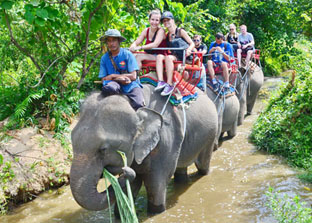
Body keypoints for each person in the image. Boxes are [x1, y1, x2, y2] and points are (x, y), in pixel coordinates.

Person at [99, 29, 144, 110]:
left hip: (130, 84)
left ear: (119, 41)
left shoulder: (128, 55)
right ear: (106, 43)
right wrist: (117, 78)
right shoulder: (104, 58)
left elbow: (133, 76)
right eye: (109, 41)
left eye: (114, 40)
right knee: (108, 89)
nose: (111, 43)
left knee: (139, 104)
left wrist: (113, 76)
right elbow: (103, 79)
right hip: (113, 83)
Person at [154, 11, 195, 96]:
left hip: (184, 57)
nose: (166, 22)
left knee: (168, 58)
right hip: (175, 56)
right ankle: (161, 81)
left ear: (172, 20)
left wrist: (189, 50)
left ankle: (169, 84)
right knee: (159, 57)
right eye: (164, 21)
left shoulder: (180, 31)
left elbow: (192, 43)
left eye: (168, 20)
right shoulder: (167, 35)